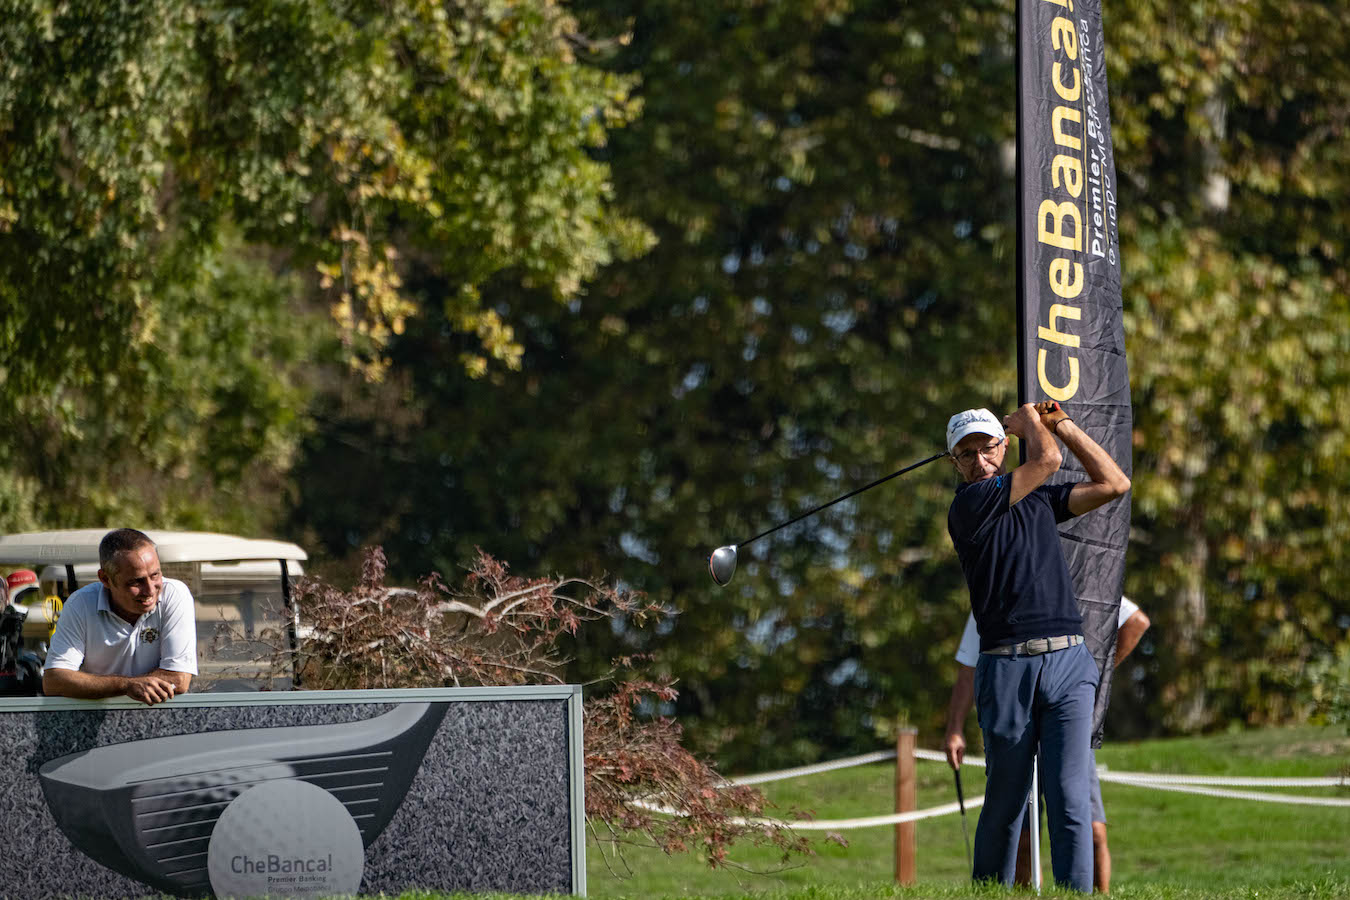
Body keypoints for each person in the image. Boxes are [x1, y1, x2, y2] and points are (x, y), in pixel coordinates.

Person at [945, 402, 1130, 892]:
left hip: (1068, 662)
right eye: (966, 454)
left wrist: (1063, 425)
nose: (979, 460)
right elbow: (1047, 460)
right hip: (1005, 667)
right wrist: (1032, 423)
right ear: (955, 464)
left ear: (1003, 447)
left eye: (987, 447)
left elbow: (1115, 483)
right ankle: (991, 892)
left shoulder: (1040, 500)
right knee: (1007, 801)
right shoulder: (968, 506)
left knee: (1070, 796)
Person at [945, 598, 1152, 892]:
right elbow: (969, 666)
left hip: (1067, 718)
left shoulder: (1070, 580)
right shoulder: (993, 593)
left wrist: (1088, 679)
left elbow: (1135, 621)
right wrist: (955, 727)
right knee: (1022, 834)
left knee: (1091, 829)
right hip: (1019, 717)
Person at [42, 528, 197, 705]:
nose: (150, 590)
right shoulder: (80, 604)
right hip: (93, 716)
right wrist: (126, 686)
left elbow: (179, 679)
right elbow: (54, 681)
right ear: (105, 579)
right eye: (136, 581)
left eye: (155, 575)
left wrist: (127, 686)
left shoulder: (174, 594)